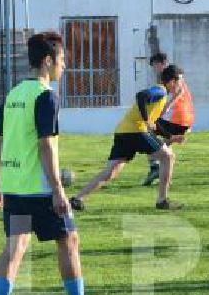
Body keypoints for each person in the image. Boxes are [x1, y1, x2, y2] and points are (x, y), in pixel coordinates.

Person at [0, 32, 118, 295]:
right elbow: (46, 144)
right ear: (48, 61)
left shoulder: (14, 94)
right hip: (40, 189)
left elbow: (0, 142)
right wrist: (58, 190)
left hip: (14, 187)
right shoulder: (46, 96)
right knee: (69, 240)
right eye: (62, 60)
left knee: (14, 248)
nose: (65, 66)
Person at [68, 53, 182, 211]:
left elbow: (154, 124)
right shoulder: (160, 91)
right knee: (168, 157)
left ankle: (76, 199)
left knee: (111, 172)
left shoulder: (161, 95)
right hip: (136, 131)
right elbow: (141, 96)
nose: (180, 85)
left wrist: (171, 137)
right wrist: (146, 119)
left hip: (124, 132)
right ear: (172, 81)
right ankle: (162, 200)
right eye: (179, 80)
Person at [148, 64, 195, 209]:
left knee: (150, 137)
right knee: (165, 150)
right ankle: (161, 171)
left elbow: (179, 91)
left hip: (177, 120)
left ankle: (156, 167)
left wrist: (167, 105)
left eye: (155, 65)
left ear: (160, 64)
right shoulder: (175, 77)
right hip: (183, 121)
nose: (154, 69)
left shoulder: (175, 78)